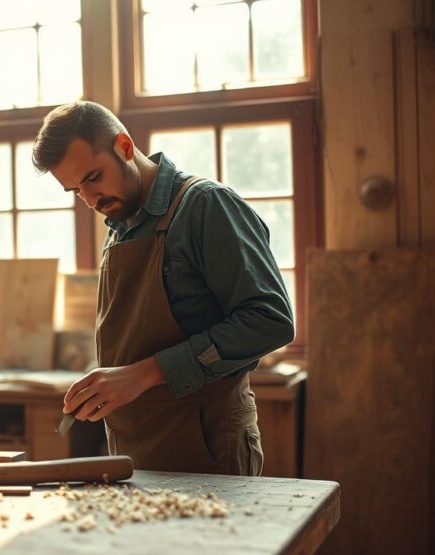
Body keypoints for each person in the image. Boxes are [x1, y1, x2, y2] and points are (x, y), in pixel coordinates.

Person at [32, 101, 293, 475]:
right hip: (133, 449)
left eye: (92, 178)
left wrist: (141, 375)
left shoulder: (205, 206)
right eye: (75, 190)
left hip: (206, 448)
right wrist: (106, 381)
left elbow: (271, 321)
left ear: (124, 146)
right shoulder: (122, 220)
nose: (91, 201)